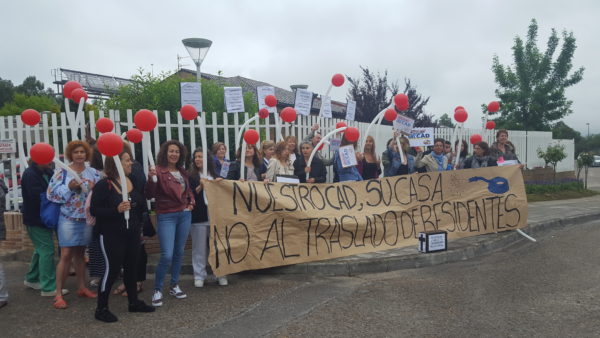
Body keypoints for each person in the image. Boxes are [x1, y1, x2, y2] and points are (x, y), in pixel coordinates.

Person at [91, 146, 155, 322]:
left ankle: (133, 303)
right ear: (117, 163)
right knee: (111, 270)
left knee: (131, 268)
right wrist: (116, 209)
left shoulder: (132, 178)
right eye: (127, 160)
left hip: (132, 232)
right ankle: (101, 308)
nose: (131, 163)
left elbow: (142, 201)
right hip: (111, 234)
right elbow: (94, 210)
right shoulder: (104, 185)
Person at [47, 140, 101, 309]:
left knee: (80, 254)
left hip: (86, 220)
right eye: (76, 152)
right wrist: (69, 188)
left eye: (82, 152)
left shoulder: (93, 173)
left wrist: (94, 189)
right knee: (66, 255)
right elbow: (51, 194)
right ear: (71, 154)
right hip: (68, 219)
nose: (79, 155)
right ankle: (58, 294)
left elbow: (101, 194)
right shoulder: (62, 173)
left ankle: (82, 287)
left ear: (87, 154)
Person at [146, 140, 195, 307]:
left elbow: (187, 191)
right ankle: (157, 289)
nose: (174, 154)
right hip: (166, 215)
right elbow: (149, 194)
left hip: (184, 215)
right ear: (165, 153)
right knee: (166, 254)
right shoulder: (158, 171)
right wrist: (151, 179)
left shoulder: (182, 171)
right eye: (171, 151)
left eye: (177, 151)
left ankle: (174, 285)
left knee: (179, 253)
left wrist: (191, 203)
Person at [22, 160, 65, 297]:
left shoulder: (47, 172)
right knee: (47, 251)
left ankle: (32, 278)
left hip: (44, 217)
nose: (51, 161)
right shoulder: (30, 174)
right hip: (36, 219)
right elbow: (36, 196)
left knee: (40, 249)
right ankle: (48, 287)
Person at [188, 148, 228, 287]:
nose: (198, 159)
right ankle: (199, 275)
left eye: (201, 156)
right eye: (196, 157)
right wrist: (200, 186)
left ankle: (220, 273)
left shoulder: (215, 174)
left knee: (218, 247)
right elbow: (188, 195)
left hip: (216, 217)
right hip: (199, 217)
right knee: (199, 248)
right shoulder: (191, 176)